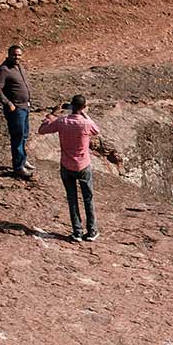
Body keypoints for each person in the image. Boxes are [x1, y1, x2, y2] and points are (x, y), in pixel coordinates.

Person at [35, 95, 101, 242]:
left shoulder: (62, 121)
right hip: (83, 165)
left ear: (71, 105)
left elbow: (42, 130)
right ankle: (92, 231)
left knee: (72, 199)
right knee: (88, 198)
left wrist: (51, 115)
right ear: (83, 107)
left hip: (66, 164)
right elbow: (96, 130)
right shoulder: (85, 123)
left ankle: (77, 232)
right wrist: (84, 113)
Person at [0, 44, 34, 179]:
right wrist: (8, 103)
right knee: (18, 137)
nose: (17, 57)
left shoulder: (18, 66)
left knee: (24, 135)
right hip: (16, 110)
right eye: (14, 55)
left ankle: (22, 159)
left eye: (19, 55)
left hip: (24, 107)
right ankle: (18, 167)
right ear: (9, 55)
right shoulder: (3, 70)